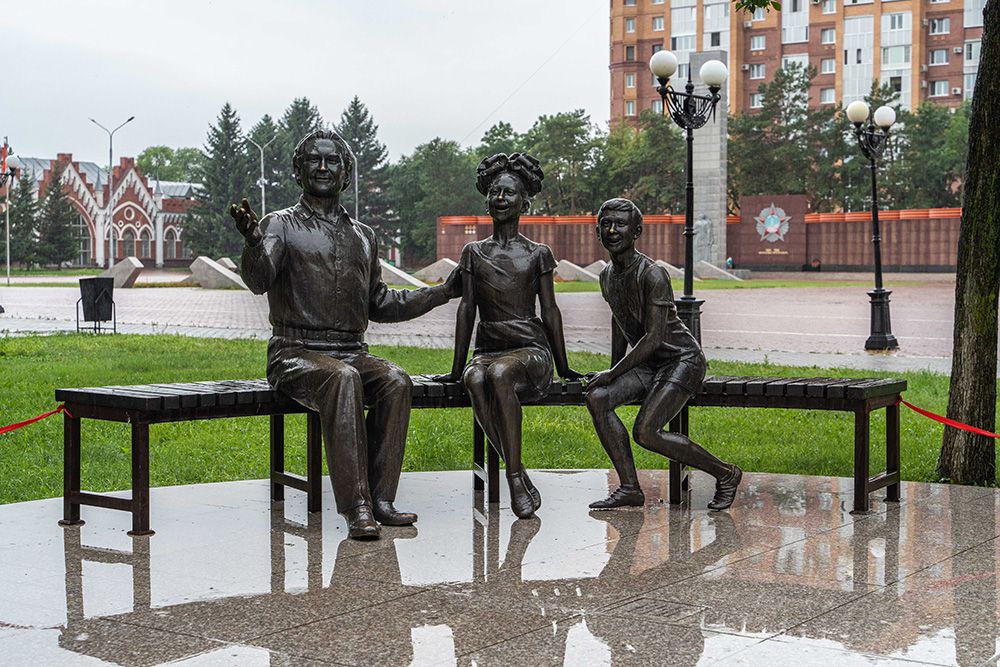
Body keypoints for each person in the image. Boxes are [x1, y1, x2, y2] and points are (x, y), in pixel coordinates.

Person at [230, 129, 460, 540]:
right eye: (313, 160)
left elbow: (381, 303)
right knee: (343, 378)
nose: (323, 167)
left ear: (346, 173)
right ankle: (356, 507)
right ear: (298, 172)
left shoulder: (364, 236)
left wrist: (442, 293)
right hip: (294, 353)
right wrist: (252, 242)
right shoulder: (279, 225)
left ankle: (382, 499)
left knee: (396, 381)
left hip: (351, 351)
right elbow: (259, 280)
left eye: (332, 160)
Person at [438, 153, 580, 519]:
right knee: (475, 378)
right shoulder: (473, 252)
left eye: (509, 193)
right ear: (486, 200)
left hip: (529, 350)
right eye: (495, 192)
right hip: (488, 349)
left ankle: (513, 477)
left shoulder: (538, 254)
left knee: (500, 374)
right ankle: (518, 468)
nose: (500, 198)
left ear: (524, 203)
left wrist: (564, 367)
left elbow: (550, 311)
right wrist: (455, 369)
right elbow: (467, 310)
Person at [585, 198, 742, 511]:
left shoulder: (652, 274)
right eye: (606, 224)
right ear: (598, 231)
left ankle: (726, 474)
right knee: (597, 397)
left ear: (636, 232)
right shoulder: (607, 276)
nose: (612, 230)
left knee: (646, 432)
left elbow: (655, 337)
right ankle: (629, 488)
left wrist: (614, 373)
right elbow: (619, 321)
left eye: (620, 224)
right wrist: (613, 370)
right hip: (649, 363)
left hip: (680, 360)